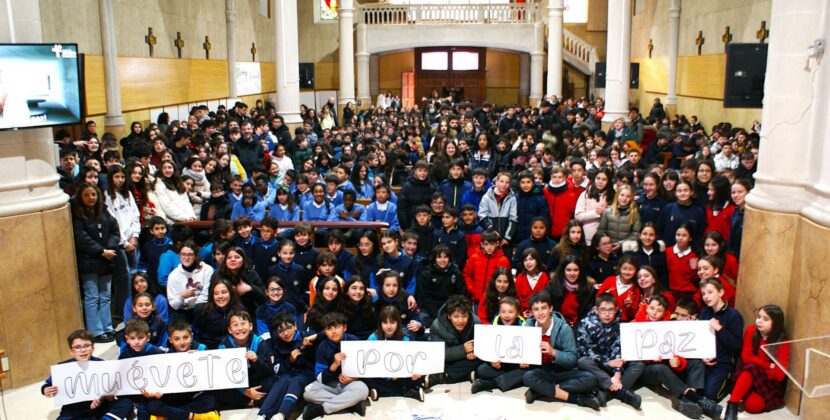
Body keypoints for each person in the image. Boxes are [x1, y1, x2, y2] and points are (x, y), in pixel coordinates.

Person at [522, 291, 600, 410]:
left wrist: (553, 352)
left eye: (544, 308)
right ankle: (575, 399)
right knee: (527, 377)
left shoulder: (563, 328)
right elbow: (525, 354)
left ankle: (541, 391)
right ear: (531, 312)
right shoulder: (528, 327)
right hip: (542, 370)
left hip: (562, 370)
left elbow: (572, 359)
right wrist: (524, 361)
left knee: (590, 379)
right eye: (536, 309)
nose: (540, 313)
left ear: (551, 309)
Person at [576, 293, 642, 409]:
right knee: (582, 361)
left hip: (612, 364)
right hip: (596, 364)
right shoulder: (585, 323)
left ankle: (607, 393)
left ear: (616, 310)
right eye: (603, 310)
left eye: (611, 310)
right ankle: (620, 392)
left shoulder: (619, 325)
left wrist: (617, 373)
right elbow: (587, 350)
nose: (607, 314)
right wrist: (607, 362)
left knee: (638, 364)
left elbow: (618, 349)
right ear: (596, 310)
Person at [72, 183, 120, 343]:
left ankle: (108, 328)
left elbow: (114, 230)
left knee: (105, 296)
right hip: (89, 261)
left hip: (107, 260)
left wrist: (110, 248)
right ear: (81, 197)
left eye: (93, 194)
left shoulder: (104, 211)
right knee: (92, 296)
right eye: (86, 195)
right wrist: (101, 251)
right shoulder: (78, 215)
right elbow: (82, 238)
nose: (90, 198)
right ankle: (96, 331)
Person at [724, 305, 790, 419]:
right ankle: (732, 404)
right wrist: (768, 365)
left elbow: (779, 375)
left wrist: (760, 371)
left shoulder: (782, 342)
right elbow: (746, 357)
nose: (759, 321)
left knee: (753, 406)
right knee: (751, 368)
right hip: (748, 372)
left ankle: (741, 391)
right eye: (758, 317)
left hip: (767, 380)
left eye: (765, 319)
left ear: (776, 323)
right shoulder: (751, 331)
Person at [302, 312, 370, 419]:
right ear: (324, 331)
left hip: (350, 383)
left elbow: (366, 368)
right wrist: (334, 364)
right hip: (330, 385)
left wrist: (353, 378)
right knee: (308, 392)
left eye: (337, 327)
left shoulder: (355, 341)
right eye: (329, 329)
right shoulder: (322, 347)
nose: (333, 331)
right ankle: (351, 404)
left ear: (345, 327)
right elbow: (320, 378)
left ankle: (322, 409)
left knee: (363, 390)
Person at [148, 320, 220, 419]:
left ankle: (173, 414)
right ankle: (192, 416)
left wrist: (199, 359)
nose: (181, 342)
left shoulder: (201, 350)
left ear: (191, 336)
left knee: (211, 401)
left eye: (185, 337)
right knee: (152, 405)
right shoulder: (166, 357)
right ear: (170, 340)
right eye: (176, 339)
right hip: (177, 396)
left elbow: (214, 373)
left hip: (196, 394)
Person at [256, 312, 317, 420]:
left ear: (295, 325)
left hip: (307, 373)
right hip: (290, 372)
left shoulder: (307, 336)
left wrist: (303, 346)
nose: (285, 333)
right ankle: (262, 414)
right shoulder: (277, 343)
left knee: (296, 381)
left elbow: (322, 338)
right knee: (281, 381)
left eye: (288, 328)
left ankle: (281, 414)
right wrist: (290, 360)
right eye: (281, 331)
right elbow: (279, 368)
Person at [41, 330, 113, 419]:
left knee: (124, 403)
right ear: (71, 351)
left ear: (93, 348)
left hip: (99, 407)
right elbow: (48, 384)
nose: (83, 350)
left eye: (87, 346)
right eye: (77, 347)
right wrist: (45, 390)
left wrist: (108, 395)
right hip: (73, 410)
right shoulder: (63, 368)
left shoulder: (101, 364)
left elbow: (110, 386)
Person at [216, 310, 276, 410]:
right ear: (230, 330)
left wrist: (257, 360)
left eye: (243, 324)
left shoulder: (260, 342)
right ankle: (249, 401)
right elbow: (224, 377)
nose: (240, 328)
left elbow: (268, 370)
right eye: (235, 325)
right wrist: (245, 391)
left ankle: (251, 401)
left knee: (272, 382)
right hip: (237, 385)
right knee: (219, 390)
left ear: (251, 326)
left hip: (255, 379)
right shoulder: (224, 346)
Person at [364, 306, 426, 402]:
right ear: (380, 324)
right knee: (365, 380)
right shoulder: (373, 338)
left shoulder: (405, 338)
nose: (389, 326)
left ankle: (381, 392)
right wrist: (388, 375)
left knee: (420, 377)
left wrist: (412, 373)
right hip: (381, 375)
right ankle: (406, 391)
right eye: (385, 323)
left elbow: (410, 361)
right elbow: (369, 364)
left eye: (392, 322)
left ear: (398, 323)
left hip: (399, 376)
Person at [699, 279, 744, 403]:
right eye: (703, 294)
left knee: (710, 396)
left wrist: (719, 328)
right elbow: (700, 339)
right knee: (695, 390)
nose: (706, 297)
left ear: (721, 292)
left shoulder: (733, 315)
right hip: (706, 361)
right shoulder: (705, 312)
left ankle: (729, 384)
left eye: (710, 292)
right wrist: (702, 356)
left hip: (723, 363)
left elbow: (737, 345)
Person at [427, 295, 482, 387]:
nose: (460, 320)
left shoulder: (476, 323)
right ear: (449, 316)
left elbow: (481, 347)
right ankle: (465, 374)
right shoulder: (437, 326)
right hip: (446, 359)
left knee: (480, 362)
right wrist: (463, 350)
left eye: (464, 316)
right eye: (456, 316)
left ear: (469, 314)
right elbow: (440, 354)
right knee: (434, 362)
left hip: (465, 360)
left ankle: (444, 376)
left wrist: (474, 353)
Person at [416, 244, 466, 328]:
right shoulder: (426, 274)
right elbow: (424, 298)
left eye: (445, 257)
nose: (442, 260)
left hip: (451, 310)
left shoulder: (456, 273)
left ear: (449, 258)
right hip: (430, 311)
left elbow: (461, 295)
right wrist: (438, 315)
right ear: (434, 259)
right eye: (439, 257)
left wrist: (450, 312)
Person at [463, 229, 511, 308]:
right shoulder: (474, 258)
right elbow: (466, 274)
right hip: (477, 299)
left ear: (497, 244)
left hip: (495, 299)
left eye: (492, 244)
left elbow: (508, 280)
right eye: (486, 244)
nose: (489, 247)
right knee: (477, 320)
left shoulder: (504, 261)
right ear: (481, 244)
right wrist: (471, 289)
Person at [166, 240, 212, 322]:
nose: (186, 258)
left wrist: (195, 307)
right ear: (179, 255)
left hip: (200, 308)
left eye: (190, 255)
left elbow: (205, 297)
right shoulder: (173, 275)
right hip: (181, 309)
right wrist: (181, 297)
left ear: (196, 256)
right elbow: (174, 305)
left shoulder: (207, 270)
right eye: (183, 254)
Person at [192, 279, 243, 349]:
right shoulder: (203, 310)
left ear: (231, 293)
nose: (220, 296)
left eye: (224, 292)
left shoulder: (239, 310)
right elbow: (195, 334)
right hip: (208, 351)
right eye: (216, 293)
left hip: (232, 349)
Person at [596, 256, 642, 322]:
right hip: (604, 319)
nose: (627, 272)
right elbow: (597, 298)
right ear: (620, 268)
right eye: (624, 268)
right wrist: (605, 295)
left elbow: (632, 314)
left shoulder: (635, 289)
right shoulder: (609, 280)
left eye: (631, 269)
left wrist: (628, 307)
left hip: (622, 322)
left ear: (636, 271)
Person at [574, 167, 613, 245]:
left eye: (604, 179)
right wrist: (596, 213)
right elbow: (578, 216)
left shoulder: (612, 195)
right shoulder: (586, 194)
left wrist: (605, 211)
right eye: (598, 178)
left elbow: (617, 214)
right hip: (588, 237)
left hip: (607, 238)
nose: (600, 182)